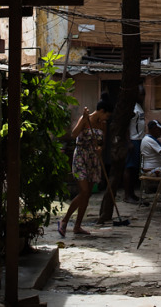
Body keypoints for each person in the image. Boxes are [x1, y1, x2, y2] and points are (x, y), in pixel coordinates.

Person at [58, 94, 113, 236]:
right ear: (101, 111)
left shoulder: (103, 125)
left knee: (87, 194)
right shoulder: (85, 119)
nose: (106, 118)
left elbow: (103, 143)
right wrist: (82, 120)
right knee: (83, 192)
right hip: (81, 157)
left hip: (93, 160)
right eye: (106, 115)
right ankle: (64, 220)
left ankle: (77, 226)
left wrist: (100, 148)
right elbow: (74, 134)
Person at [123, 85, 145, 203]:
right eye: (141, 94)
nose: (143, 97)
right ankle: (127, 195)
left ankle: (132, 193)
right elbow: (126, 125)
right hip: (133, 140)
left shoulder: (139, 107)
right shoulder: (132, 108)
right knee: (129, 168)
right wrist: (128, 142)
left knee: (135, 169)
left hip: (139, 140)